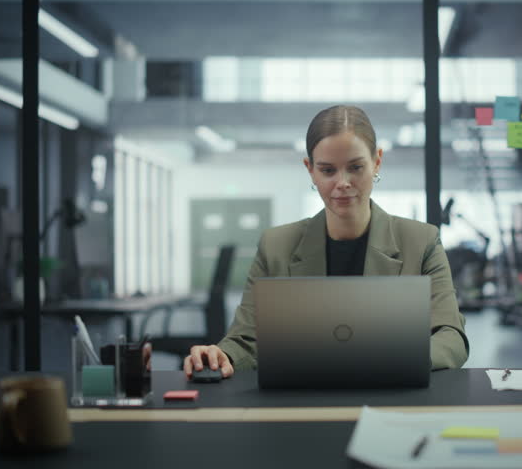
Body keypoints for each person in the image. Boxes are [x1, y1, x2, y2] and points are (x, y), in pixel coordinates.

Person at [183, 105, 469, 379]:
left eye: (355, 167)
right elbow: (246, 338)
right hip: (303, 405)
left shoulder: (421, 241)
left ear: (377, 162)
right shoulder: (277, 246)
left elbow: (451, 336)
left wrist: (396, 359)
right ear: (310, 169)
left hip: (393, 396)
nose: (342, 182)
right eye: (328, 170)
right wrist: (221, 355)